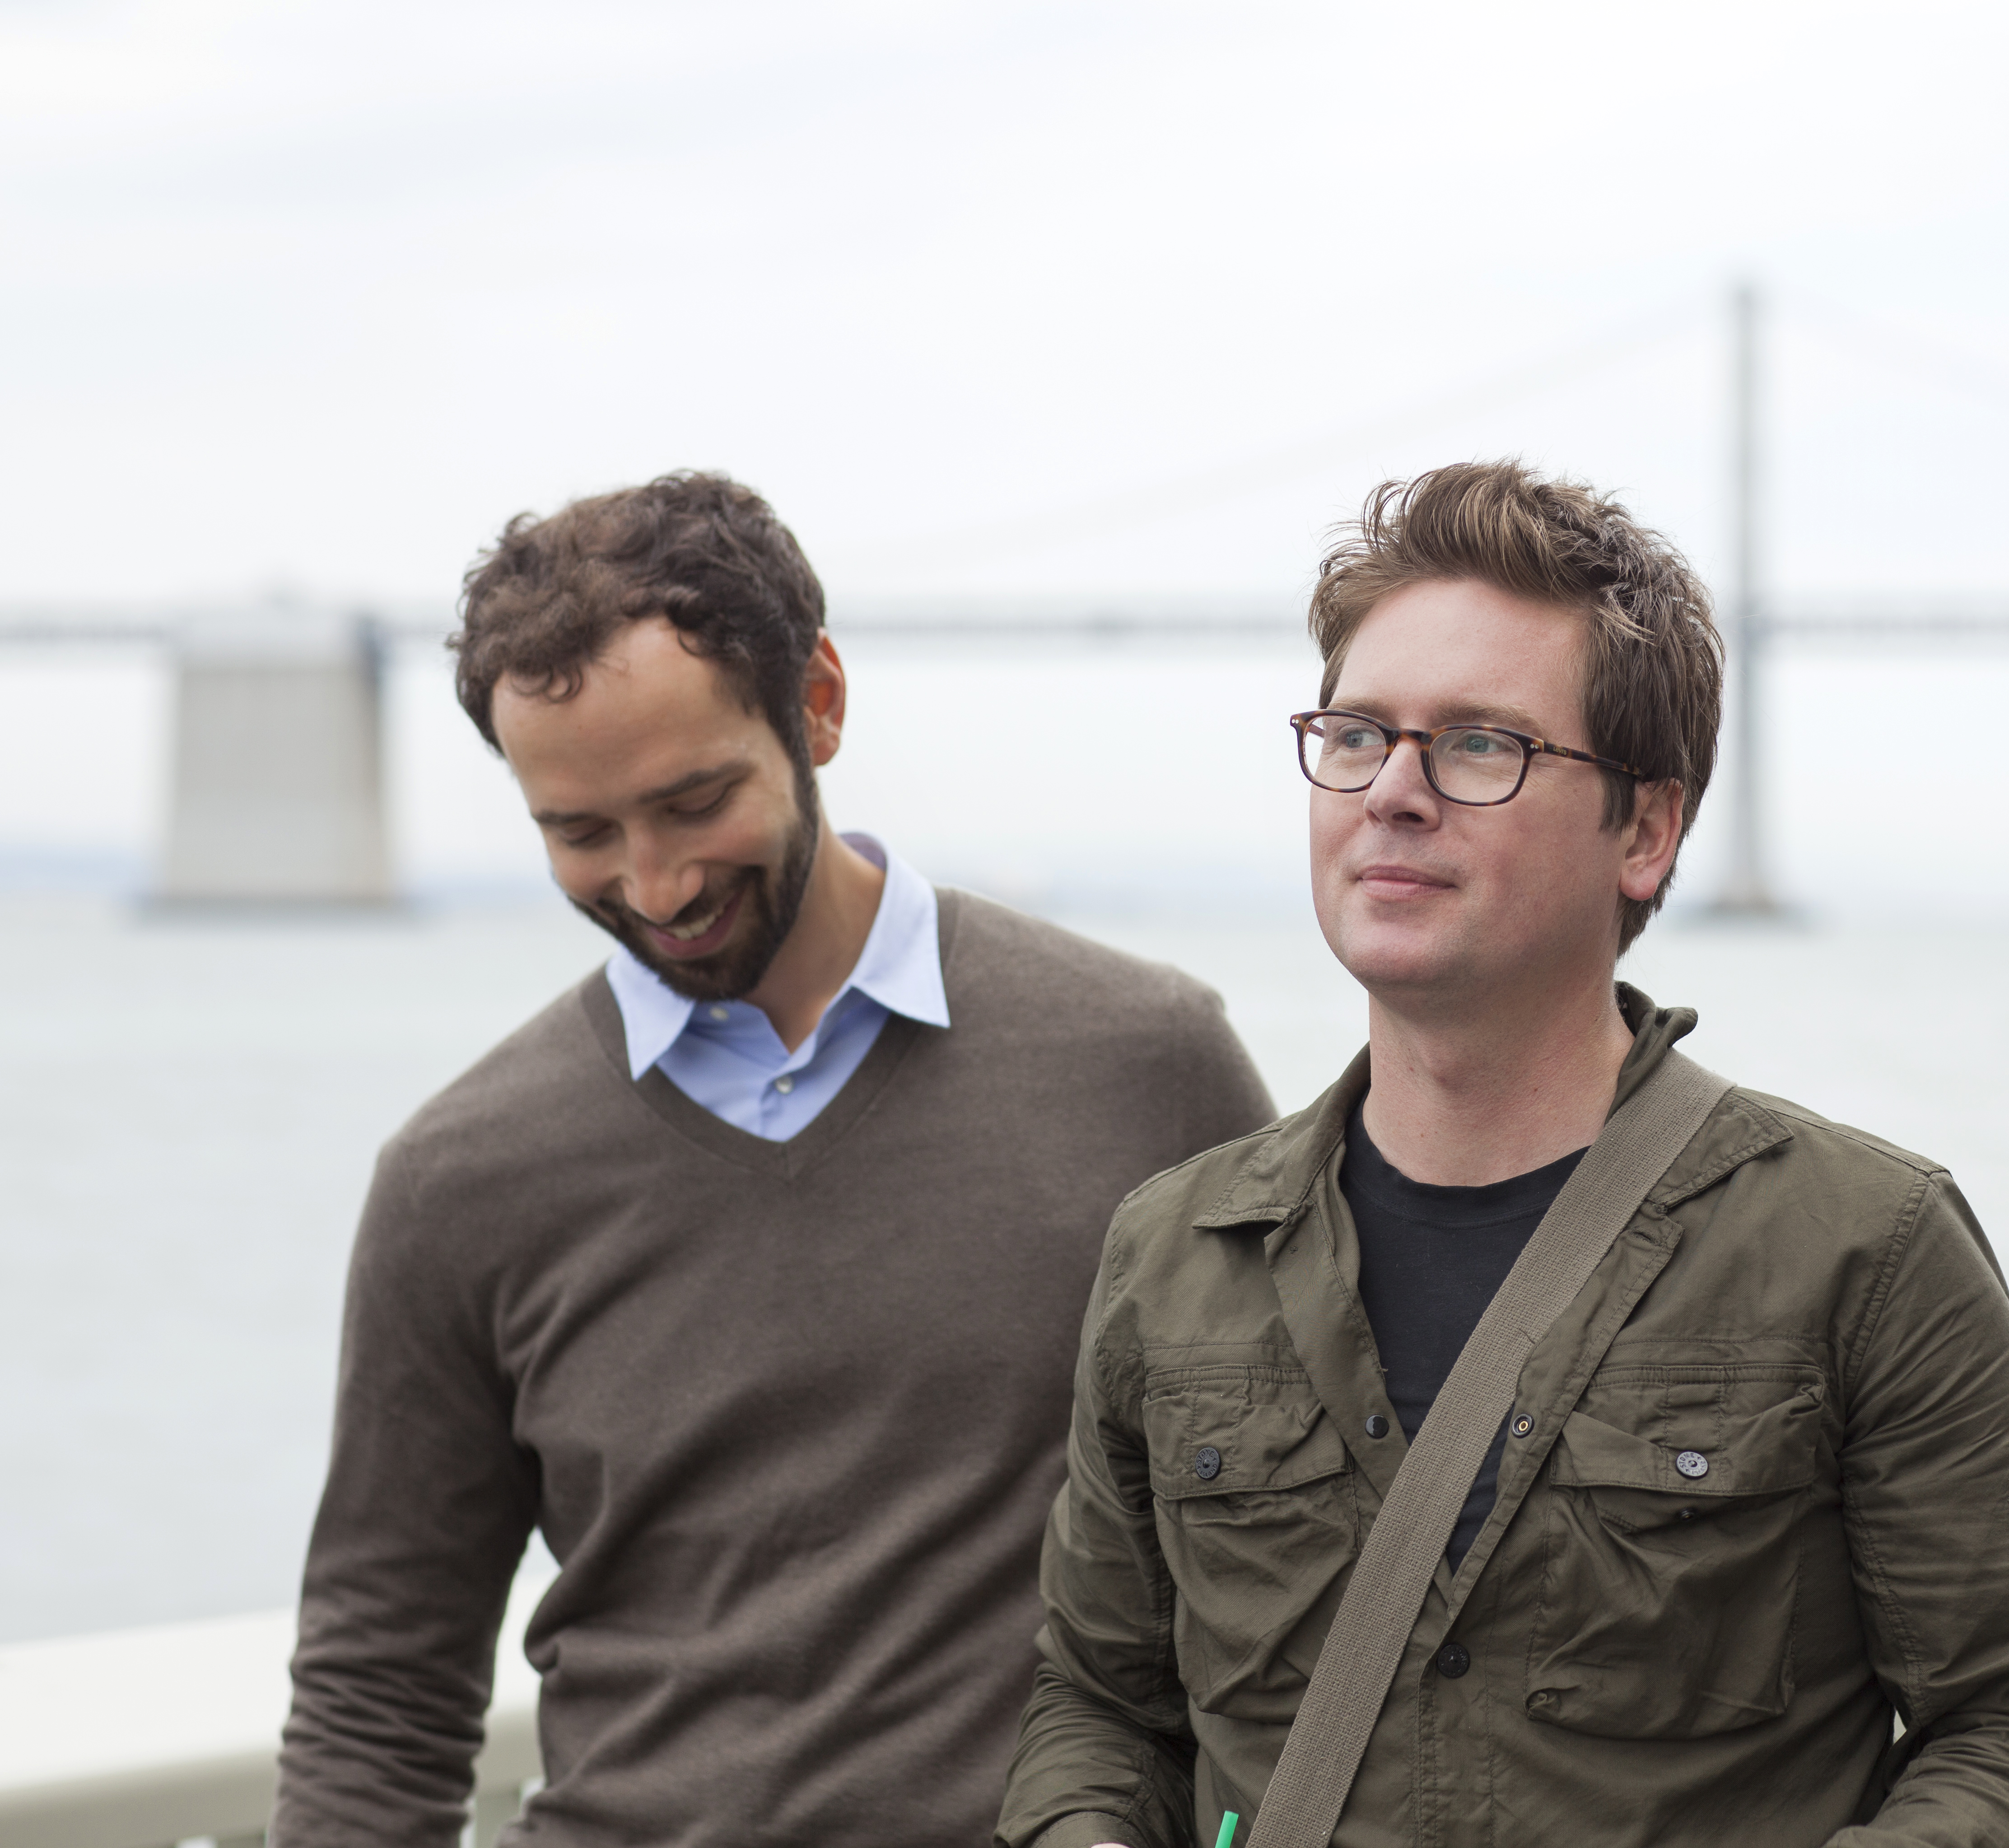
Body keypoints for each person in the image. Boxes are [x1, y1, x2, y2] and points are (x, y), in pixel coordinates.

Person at [998, 461, 2009, 1848]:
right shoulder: (1172, 1257)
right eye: (1358, 734)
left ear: (1646, 831)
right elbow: (1100, 1705)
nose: (1393, 792)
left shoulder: (1866, 1249)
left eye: (1480, 745)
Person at [272, 473, 1273, 1848]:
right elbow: (380, 1689)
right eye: (581, 834)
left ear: (818, 704)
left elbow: (1297, 1547)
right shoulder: (458, 1179)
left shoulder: (1148, 1067)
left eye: (694, 802)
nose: (657, 883)